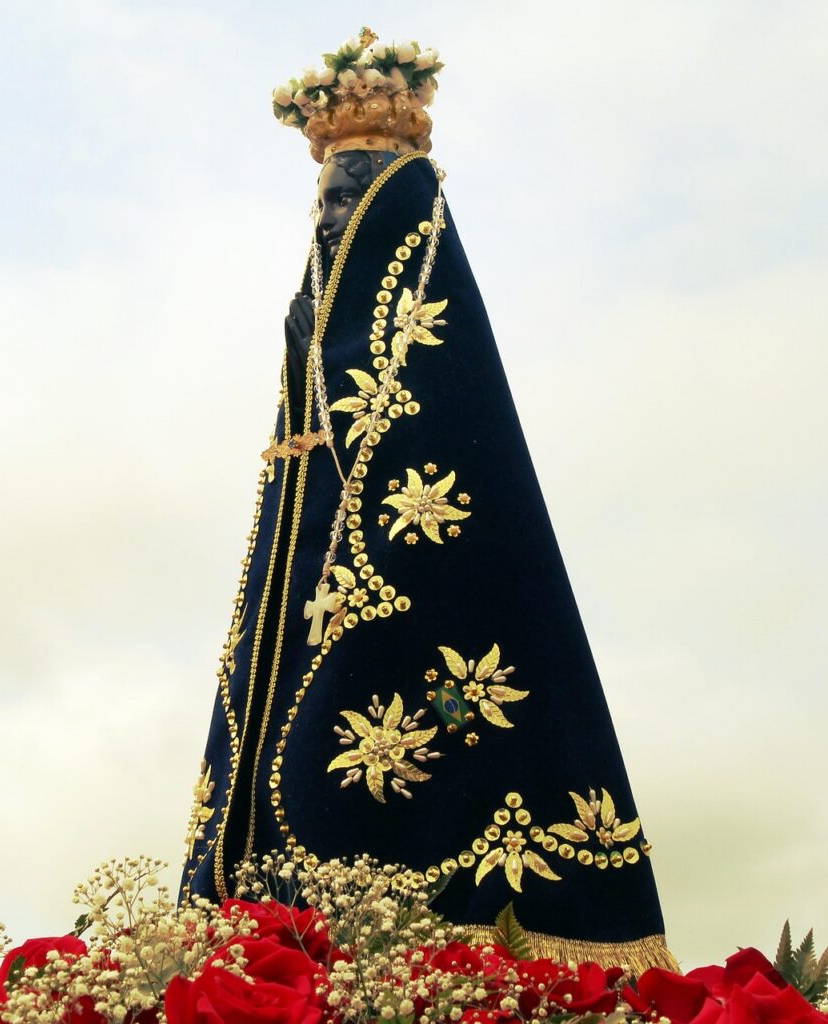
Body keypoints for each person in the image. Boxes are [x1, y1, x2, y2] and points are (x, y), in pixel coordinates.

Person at [180, 29, 678, 973]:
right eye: (322, 198)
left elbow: (441, 481)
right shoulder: (315, 330)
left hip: (414, 618)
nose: (327, 221)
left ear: (391, 204)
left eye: (345, 197)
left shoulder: (435, 342)